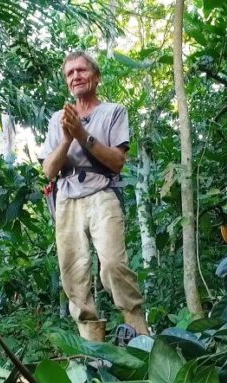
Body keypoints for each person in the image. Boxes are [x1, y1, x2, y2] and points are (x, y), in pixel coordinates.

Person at [39, 51, 149, 342]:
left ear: (96, 77)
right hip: (67, 199)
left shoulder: (113, 111)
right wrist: (66, 137)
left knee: (114, 264)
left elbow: (117, 161)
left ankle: (140, 338)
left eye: (81, 70)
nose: (75, 76)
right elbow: (49, 170)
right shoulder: (57, 120)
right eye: (69, 73)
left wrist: (82, 133)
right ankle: (93, 352)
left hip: (103, 192)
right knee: (73, 274)